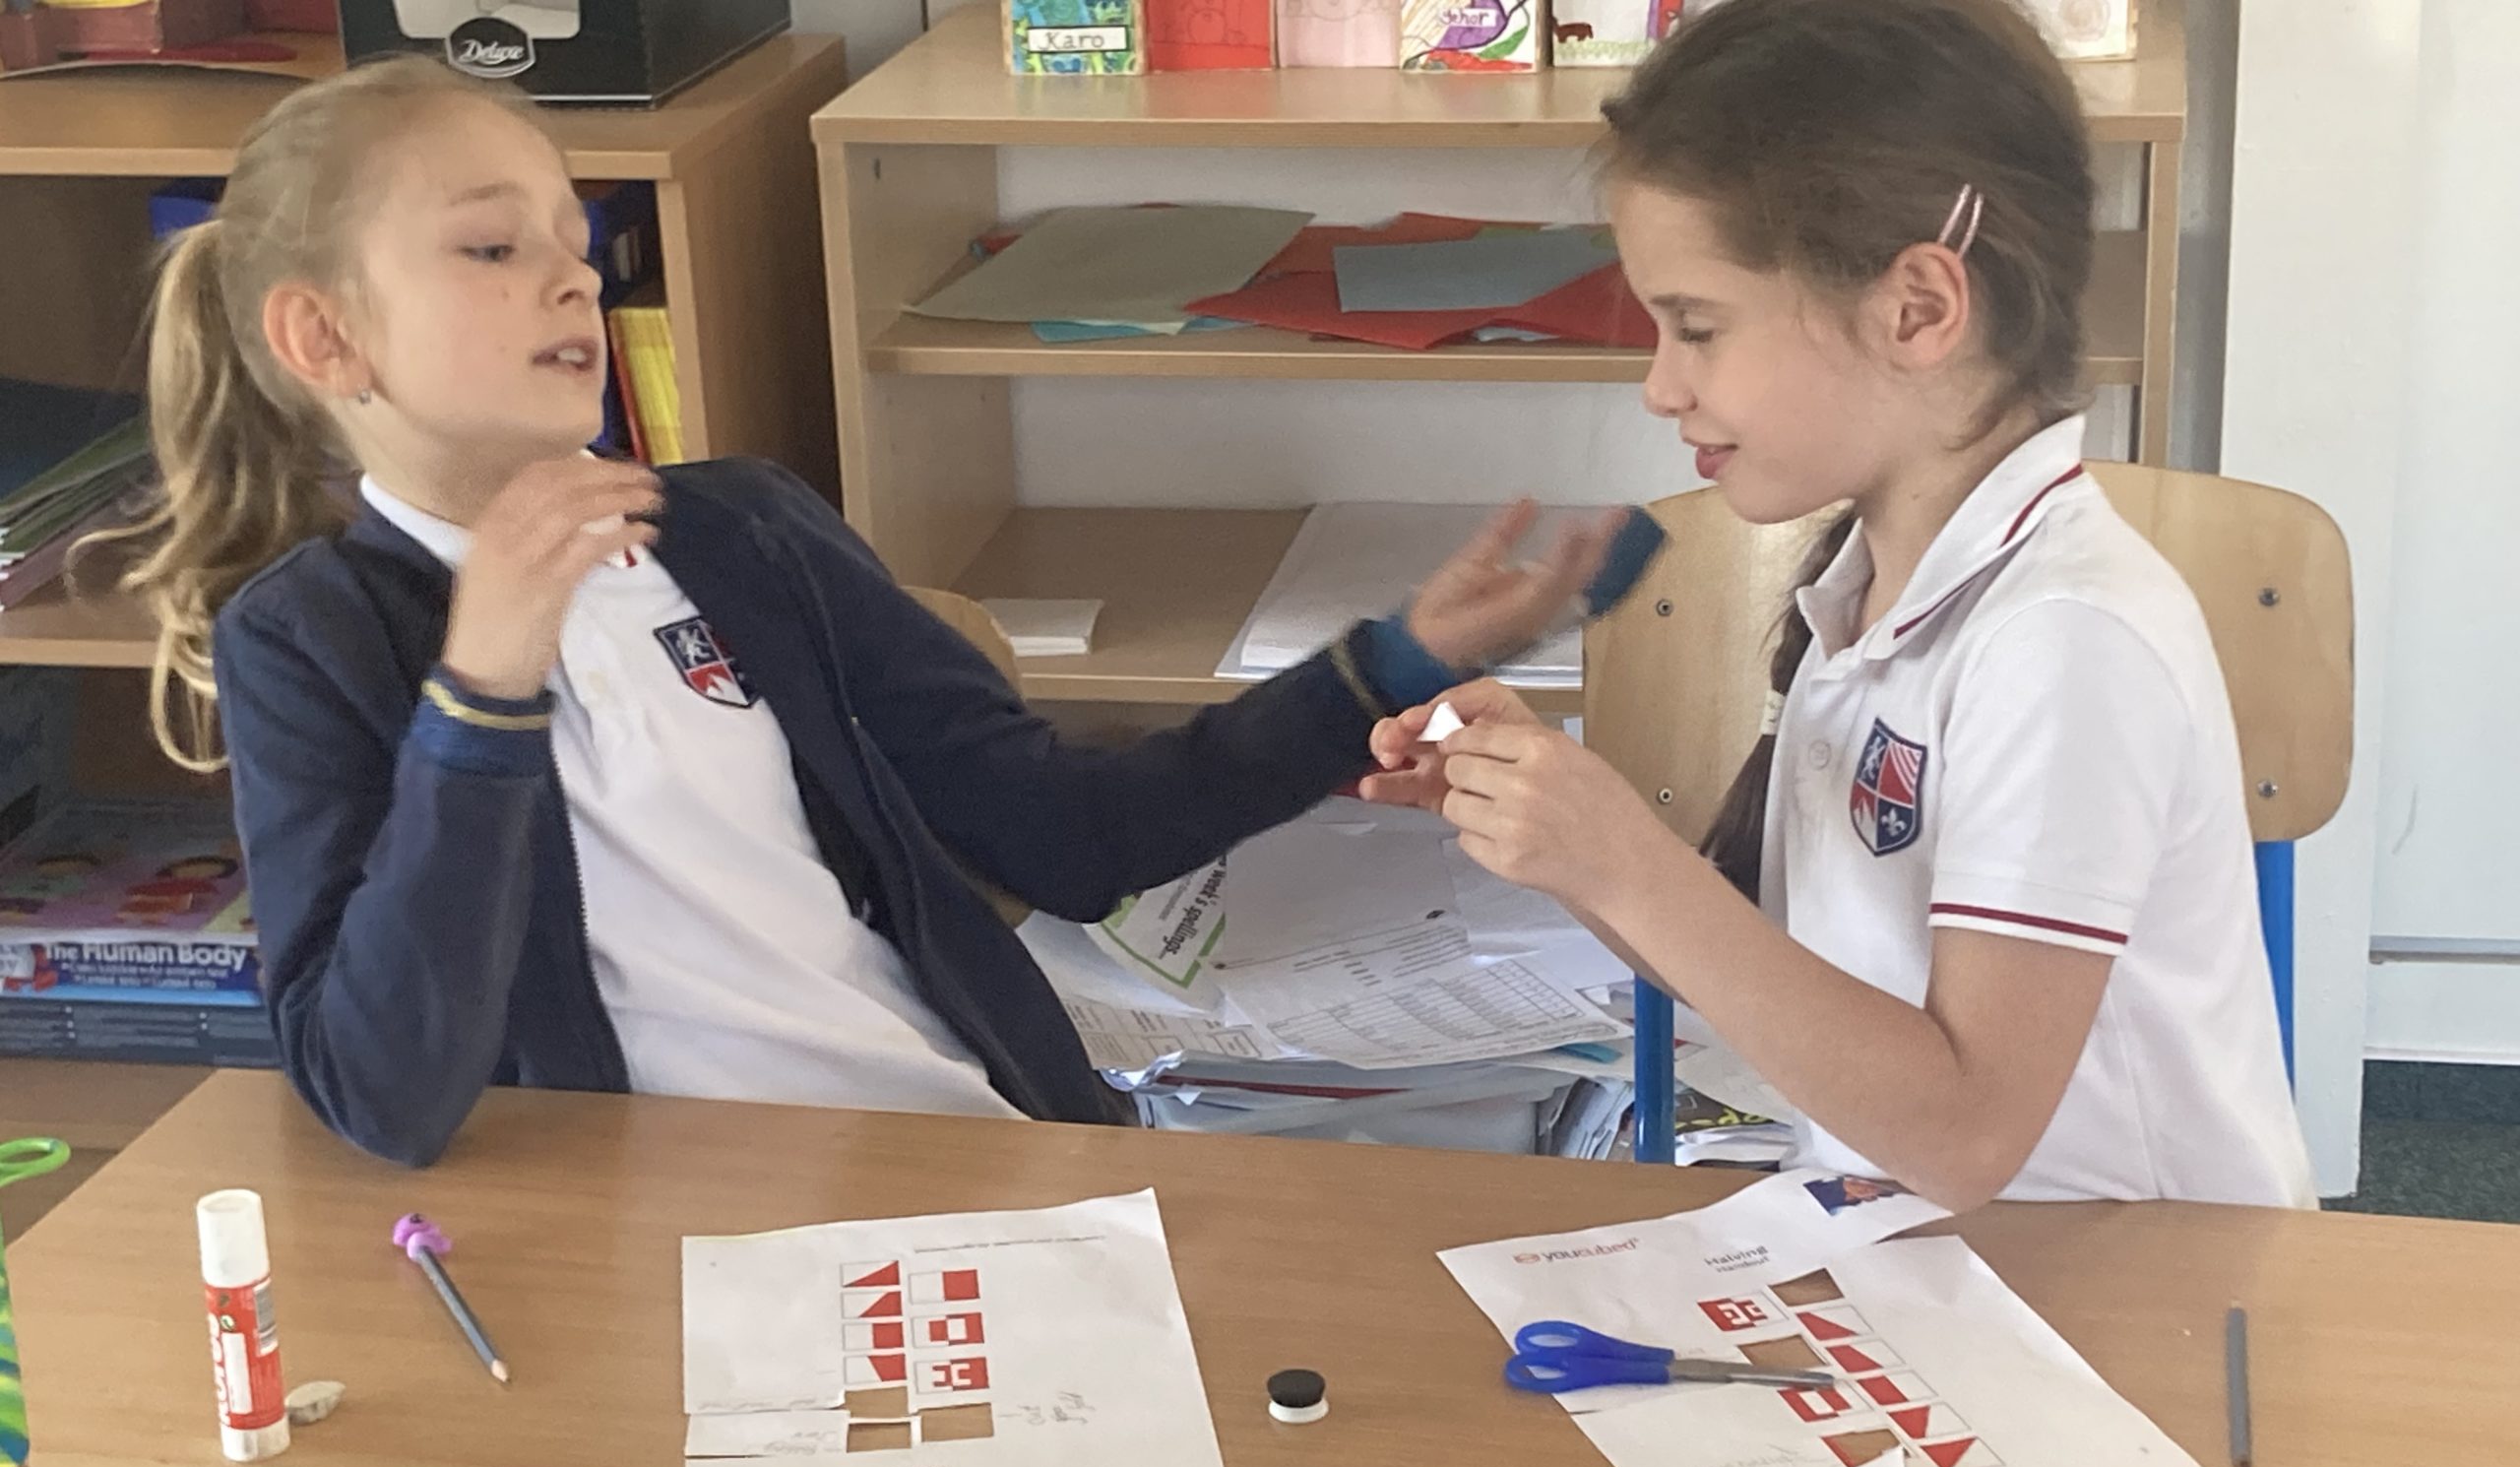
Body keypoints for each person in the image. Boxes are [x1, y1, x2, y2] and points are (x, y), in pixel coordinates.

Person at [104, 57, 1607, 1167]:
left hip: (957, 1154)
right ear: (325, 338)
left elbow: (1067, 839)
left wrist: (1388, 664)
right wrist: (483, 692)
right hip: (637, 1243)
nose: (572, 281)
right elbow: (381, 1090)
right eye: (495, 248)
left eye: (574, 239)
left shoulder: (744, 532)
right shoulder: (309, 642)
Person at [1366, 0, 2312, 1211]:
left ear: (1916, 308)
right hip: (1934, 1251)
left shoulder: (2063, 641)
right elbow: (1768, 989)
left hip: (2127, 1283)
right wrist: (1568, 846)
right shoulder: (1873, 589)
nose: (1661, 386)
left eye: (1696, 327)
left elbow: (1966, 1136)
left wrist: (1625, 863)